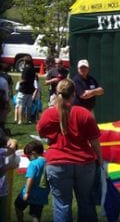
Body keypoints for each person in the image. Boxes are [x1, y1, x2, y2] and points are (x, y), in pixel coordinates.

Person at [37, 78, 103, 222]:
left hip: (57, 164)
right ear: (74, 94)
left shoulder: (49, 114)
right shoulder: (84, 113)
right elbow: (95, 141)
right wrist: (100, 159)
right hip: (84, 164)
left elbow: (41, 133)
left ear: (57, 92)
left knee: (62, 205)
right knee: (86, 202)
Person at [14, 140, 49, 222]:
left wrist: (26, 192)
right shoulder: (47, 162)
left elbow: (30, 178)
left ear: (33, 153)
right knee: (36, 216)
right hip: (42, 194)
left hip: (29, 193)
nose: (28, 158)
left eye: (28, 156)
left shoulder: (33, 164)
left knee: (18, 206)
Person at [0, 129, 18, 222]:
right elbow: (15, 163)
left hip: (3, 189)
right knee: (2, 213)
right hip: (2, 190)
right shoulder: (4, 152)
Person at [16, 55, 36, 125]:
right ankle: (28, 119)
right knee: (29, 105)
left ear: (25, 61)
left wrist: (19, 81)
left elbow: (23, 79)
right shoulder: (33, 69)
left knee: (21, 104)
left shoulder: (25, 69)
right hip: (30, 89)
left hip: (24, 89)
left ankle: (20, 120)